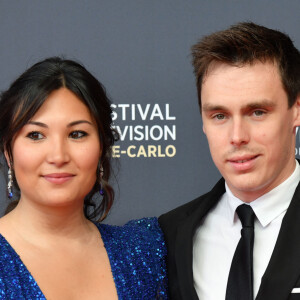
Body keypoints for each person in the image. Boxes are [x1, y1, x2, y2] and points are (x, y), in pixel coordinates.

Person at [0, 57, 168, 299]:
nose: (58, 156)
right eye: (36, 135)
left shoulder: (143, 251)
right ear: (8, 152)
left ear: (101, 148)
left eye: (77, 134)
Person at [159, 22, 300, 300]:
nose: (237, 137)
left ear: (295, 111)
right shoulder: (171, 234)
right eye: (219, 116)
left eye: (257, 112)